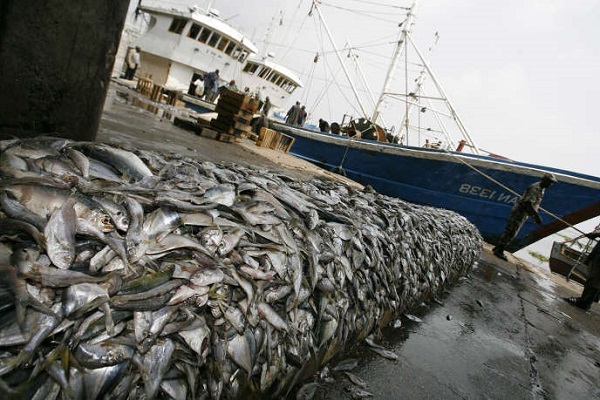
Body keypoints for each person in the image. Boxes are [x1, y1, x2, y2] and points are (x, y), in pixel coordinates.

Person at [492, 173, 558, 260]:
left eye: (551, 183)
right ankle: (499, 250)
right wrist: (536, 216)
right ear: (544, 180)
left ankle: (498, 247)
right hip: (520, 212)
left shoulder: (542, 189)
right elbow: (528, 203)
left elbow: (534, 203)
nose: (550, 185)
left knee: (511, 231)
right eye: (549, 182)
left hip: (524, 213)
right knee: (511, 231)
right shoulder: (535, 188)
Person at [564, 229, 600, 311]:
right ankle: (584, 300)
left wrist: (596, 234)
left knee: (595, 282)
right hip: (597, 256)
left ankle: (584, 304)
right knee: (591, 280)